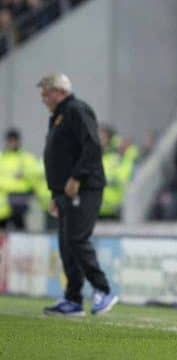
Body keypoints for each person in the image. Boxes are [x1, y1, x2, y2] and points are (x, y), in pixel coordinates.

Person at [38, 73, 118, 316]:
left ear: (58, 91)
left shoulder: (76, 110)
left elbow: (92, 145)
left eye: (45, 92)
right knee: (65, 244)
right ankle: (73, 299)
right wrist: (55, 193)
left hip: (84, 187)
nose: (43, 98)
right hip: (65, 191)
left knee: (77, 239)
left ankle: (103, 290)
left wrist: (77, 177)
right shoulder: (58, 116)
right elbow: (60, 157)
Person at [0, 128, 44, 229]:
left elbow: (36, 174)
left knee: (19, 226)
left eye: (14, 140)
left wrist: (24, 174)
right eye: (10, 141)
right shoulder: (1, 158)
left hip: (20, 198)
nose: (12, 143)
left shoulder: (26, 158)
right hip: (3, 200)